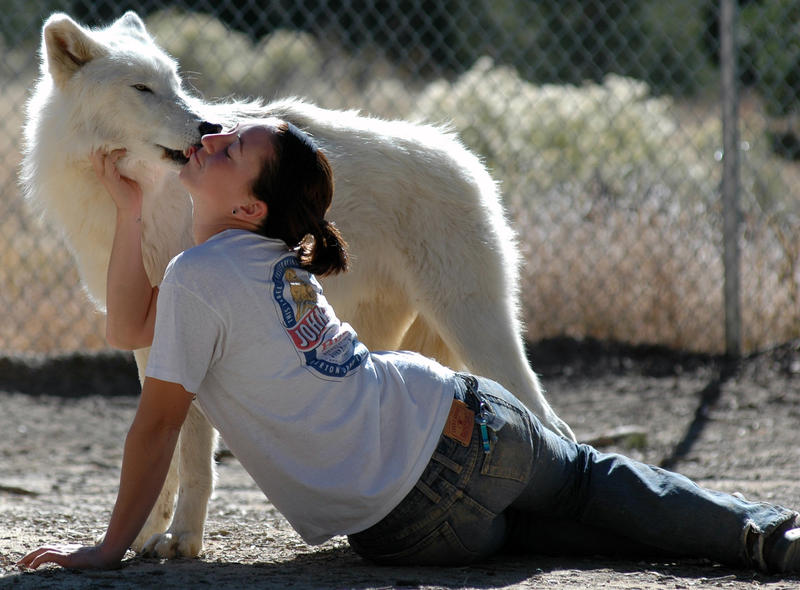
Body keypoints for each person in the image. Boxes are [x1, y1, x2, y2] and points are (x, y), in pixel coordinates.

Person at [17, 119, 800, 574]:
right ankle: (771, 537)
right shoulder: (257, 264)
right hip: (461, 441)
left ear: (250, 205)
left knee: (569, 516)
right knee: (592, 485)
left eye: (227, 148)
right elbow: (126, 326)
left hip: (406, 534)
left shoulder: (198, 282)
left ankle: (757, 544)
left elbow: (154, 416)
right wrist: (128, 212)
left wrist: (106, 549)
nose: (209, 136)